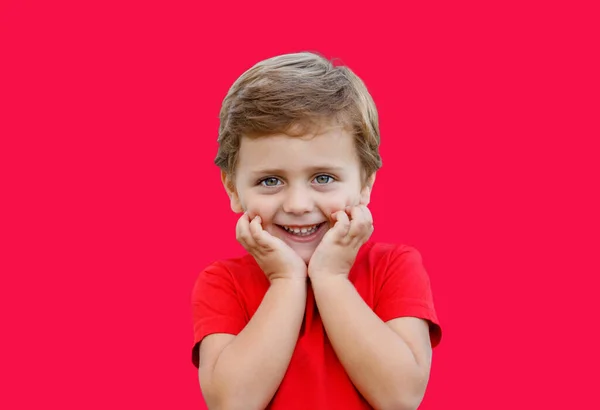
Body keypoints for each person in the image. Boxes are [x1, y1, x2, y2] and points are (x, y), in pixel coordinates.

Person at [191, 51, 442, 410]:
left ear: (365, 182)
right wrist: (285, 280)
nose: (297, 204)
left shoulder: (394, 267)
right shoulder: (222, 282)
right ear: (232, 188)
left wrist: (331, 276)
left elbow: (400, 398)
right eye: (270, 180)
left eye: (323, 178)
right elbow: (234, 403)